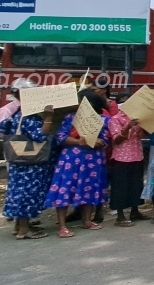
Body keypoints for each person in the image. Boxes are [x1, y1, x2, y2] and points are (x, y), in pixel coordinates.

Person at [44, 90, 110, 237]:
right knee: (65, 189)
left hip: (92, 161)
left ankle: (87, 220)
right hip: (70, 160)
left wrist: (97, 142)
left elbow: (105, 139)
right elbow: (60, 136)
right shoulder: (71, 118)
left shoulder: (103, 119)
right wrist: (78, 141)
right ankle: (62, 226)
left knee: (90, 189)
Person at [0, 93, 56, 239]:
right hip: (31, 165)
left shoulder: (15, 115)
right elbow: (40, 136)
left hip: (18, 162)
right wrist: (48, 118)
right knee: (28, 194)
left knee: (18, 192)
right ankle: (24, 230)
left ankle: (18, 226)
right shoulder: (30, 119)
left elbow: (1, 128)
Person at [107, 96, 146, 227]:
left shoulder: (136, 118)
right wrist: (127, 127)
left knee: (136, 184)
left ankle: (135, 211)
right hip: (121, 157)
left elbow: (141, 135)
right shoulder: (115, 119)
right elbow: (117, 140)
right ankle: (120, 216)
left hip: (137, 155)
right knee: (120, 187)